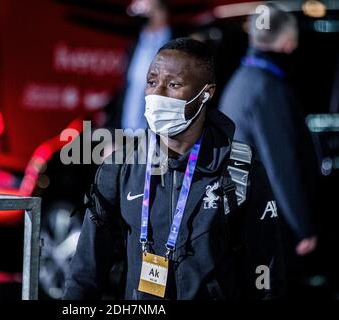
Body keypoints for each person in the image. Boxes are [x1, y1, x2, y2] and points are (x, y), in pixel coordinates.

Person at [64, 38, 285, 300]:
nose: (157, 94)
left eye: (173, 85)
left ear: (206, 93)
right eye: (151, 82)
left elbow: (265, 270)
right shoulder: (121, 165)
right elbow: (86, 268)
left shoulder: (240, 169)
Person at [219, 3, 318, 256]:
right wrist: (303, 227)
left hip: (243, 216)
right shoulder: (268, 89)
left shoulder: (241, 80)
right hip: (270, 222)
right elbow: (281, 165)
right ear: (287, 41)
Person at [105, 0, 172, 131]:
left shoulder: (179, 46)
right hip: (127, 136)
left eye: (146, 8)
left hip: (159, 137)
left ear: (161, 12)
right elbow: (128, 90)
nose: (139, 13)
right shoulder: (136, 44)